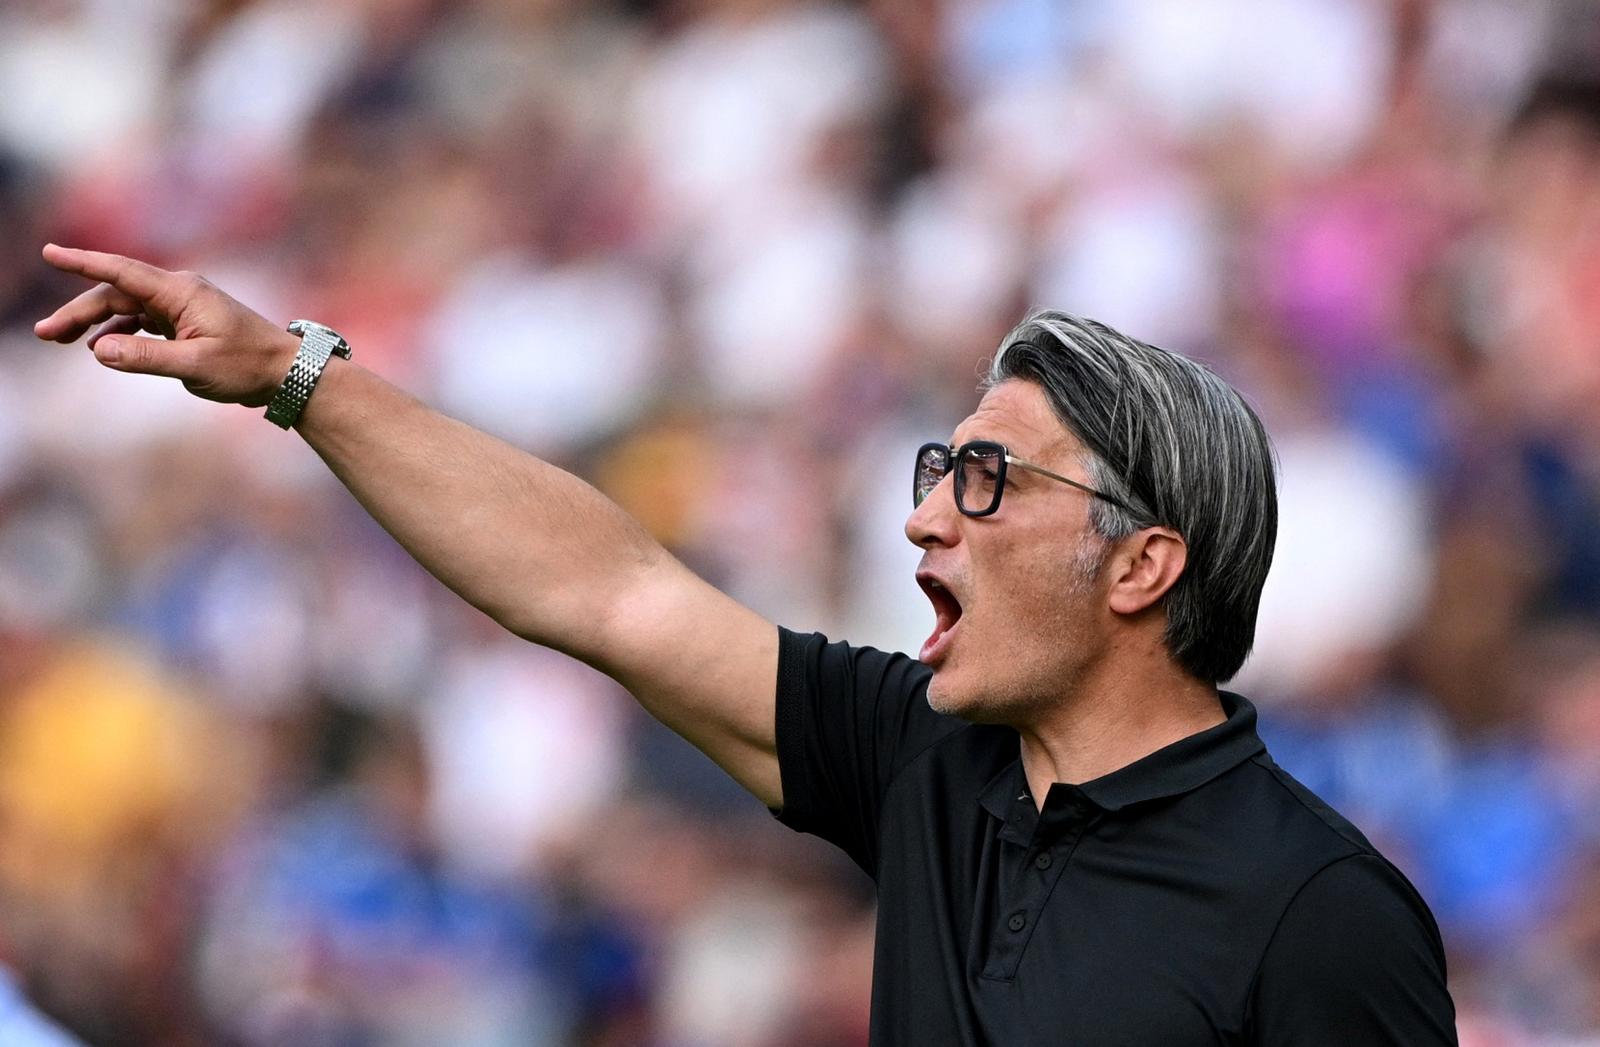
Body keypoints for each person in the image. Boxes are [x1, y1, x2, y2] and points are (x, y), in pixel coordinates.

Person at [34, 245, 1457, 1045]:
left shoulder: (1317, 915)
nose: (920, 525)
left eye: (985, 482)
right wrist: (296, 375)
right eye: (932, 469)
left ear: (1144, 564)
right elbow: (607, 590)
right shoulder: (929, 757)